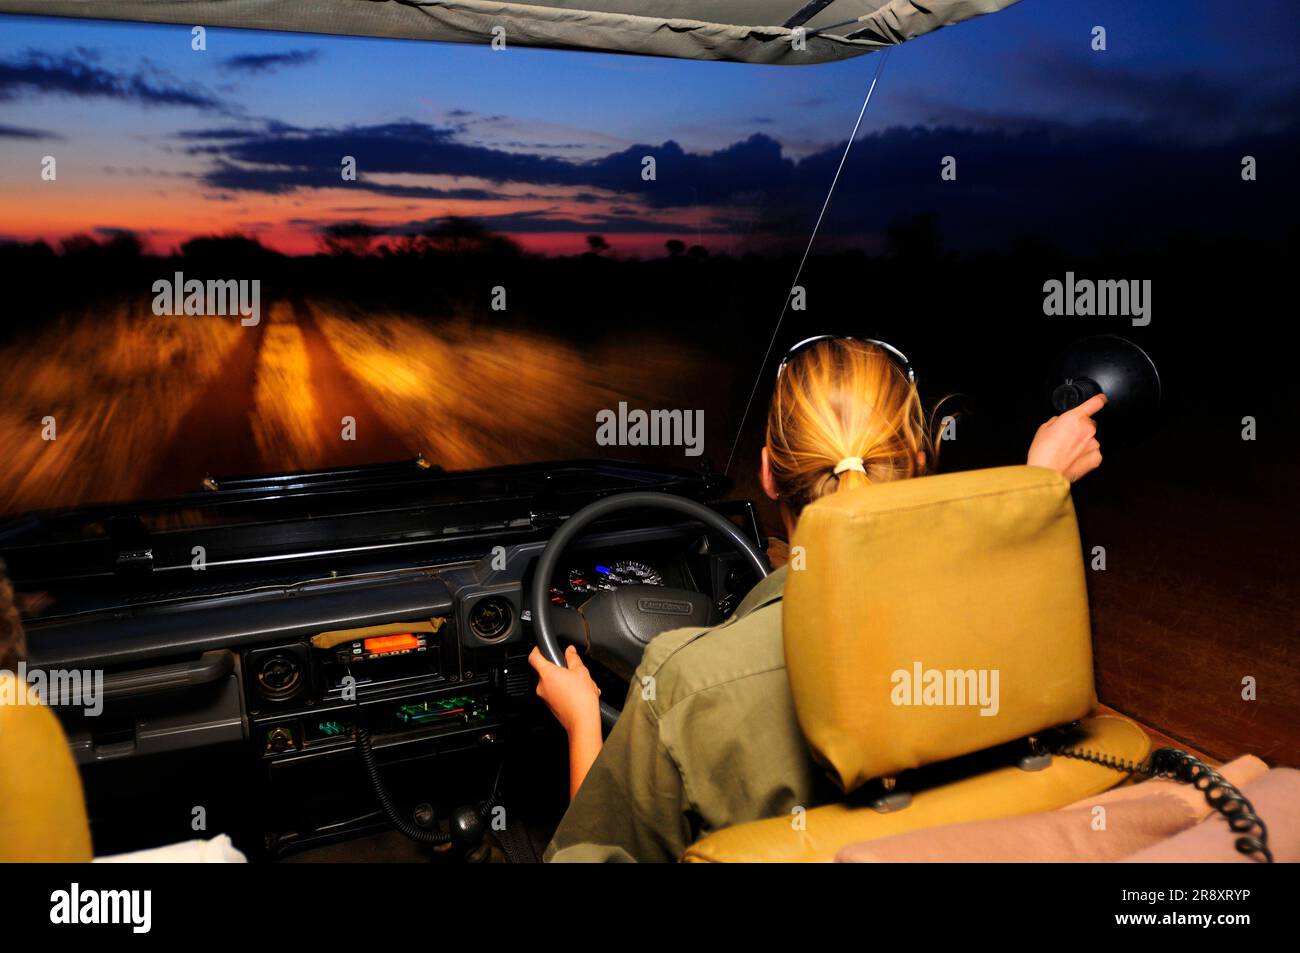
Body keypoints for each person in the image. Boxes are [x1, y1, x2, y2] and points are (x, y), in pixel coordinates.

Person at [529, 336, 1106, 862]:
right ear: (919, 464)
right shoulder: (1007, 620)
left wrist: (584, 722)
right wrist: (1041, 484)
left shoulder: (687, 684)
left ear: (768, 474)